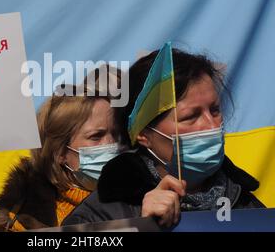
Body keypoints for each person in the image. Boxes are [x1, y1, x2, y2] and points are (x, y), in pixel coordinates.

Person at [63, 49, 265, 228]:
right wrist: (140, 227)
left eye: (214, 110)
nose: (212, 126)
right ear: (143, 134)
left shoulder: (244, 201)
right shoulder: (99, 215)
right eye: (190, 117)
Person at [0, 78, 125, 231]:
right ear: (59, 152)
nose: (111, 144)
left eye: (116, 134)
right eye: (96, 136)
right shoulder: (16, 217)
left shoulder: (144, 197)